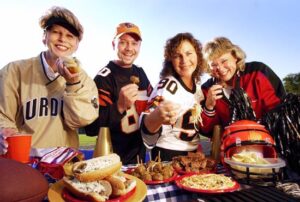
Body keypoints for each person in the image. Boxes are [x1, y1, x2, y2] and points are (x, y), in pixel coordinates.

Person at [0, 6, 99, 154]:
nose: (62, 39)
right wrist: (4, 130)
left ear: (77, 44)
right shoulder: (14, 71)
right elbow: (3, 116)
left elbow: (81, 120)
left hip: (65, 164)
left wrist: (73, 84)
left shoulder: (84, 80)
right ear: (44, 36)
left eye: (70, 36)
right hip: (25, 161)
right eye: (56, 32)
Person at [84, 22, 153, 165]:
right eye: (123, 42)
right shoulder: (104, 78)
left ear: (140, 46)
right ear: (113, 45)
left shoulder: (141, 73)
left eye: (134, 43)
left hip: (138, 158)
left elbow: (151, 104)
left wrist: (161, 106)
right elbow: (91, 128)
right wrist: (119, 106)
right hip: (109, 160)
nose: (129, 48)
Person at [139, 32, 205, 161]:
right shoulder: (167, 86)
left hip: (193, 154)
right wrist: (157, 116)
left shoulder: (197, 86)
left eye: (189, 53)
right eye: (177, 56)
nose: (184, 60)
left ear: (198, 55)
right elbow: (147, 126)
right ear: (170, 61)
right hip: (168, 154)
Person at [200, 36, 286, 135]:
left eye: (224, 61)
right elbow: (206, 131)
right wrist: (208, 107)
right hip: (231, 144)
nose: (220, 68)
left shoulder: (258, 72)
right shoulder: (207, 89)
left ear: (235, 57)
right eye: (214, 65)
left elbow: (280, 112)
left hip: (267, 140)